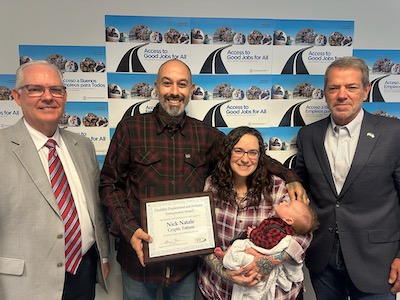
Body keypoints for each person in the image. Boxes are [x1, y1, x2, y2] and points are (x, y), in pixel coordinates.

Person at [99, 59, 308, 300]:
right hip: (139, 259)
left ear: (191, 90)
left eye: (182, 84)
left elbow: (246, 154)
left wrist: (290, 177)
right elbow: (109, 184)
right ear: (156, 87)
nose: (174, 92)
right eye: (167, 84)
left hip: (185, 265)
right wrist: (129, 229)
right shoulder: (130, 129)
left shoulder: (205, 135)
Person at [0, 60, 110, 300]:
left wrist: (102, 255)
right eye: (36, 89)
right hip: (25, 282)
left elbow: (95, 206)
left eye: (55, 90)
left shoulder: (82, 146)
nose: (47, 97)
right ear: (17, 97)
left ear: (65, 96)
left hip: (83, 271)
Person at [295, 56, 400, 299]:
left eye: (351, 87)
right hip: (323, 258)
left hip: (377, 260)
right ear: (325, 93)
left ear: (366, 90)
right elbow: (300, 184)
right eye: (334, 88)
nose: (342, 95)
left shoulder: (393, 133)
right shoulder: (309, 135)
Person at [197, 126, 313, 300]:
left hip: (274, 294)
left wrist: (268, 262)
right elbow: (199, 237)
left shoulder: (278, 187)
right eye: (238, 151)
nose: (245, 159)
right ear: (228, 152)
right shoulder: (211, 186)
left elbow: (304, 233)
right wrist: (224, 272)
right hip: (220, 290)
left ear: (260, 157)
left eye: (252, 152)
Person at [214, 197, 318, 300]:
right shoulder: (277, 220)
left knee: (240, 251)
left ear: (288, 220)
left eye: (288, 205)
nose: (285, 201)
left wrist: (253, 234)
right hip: (219, 290)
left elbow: (266, 243)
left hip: (259, 254)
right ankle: (227, 258)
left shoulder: (278, 229)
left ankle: (228, 260)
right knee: (238, 246)